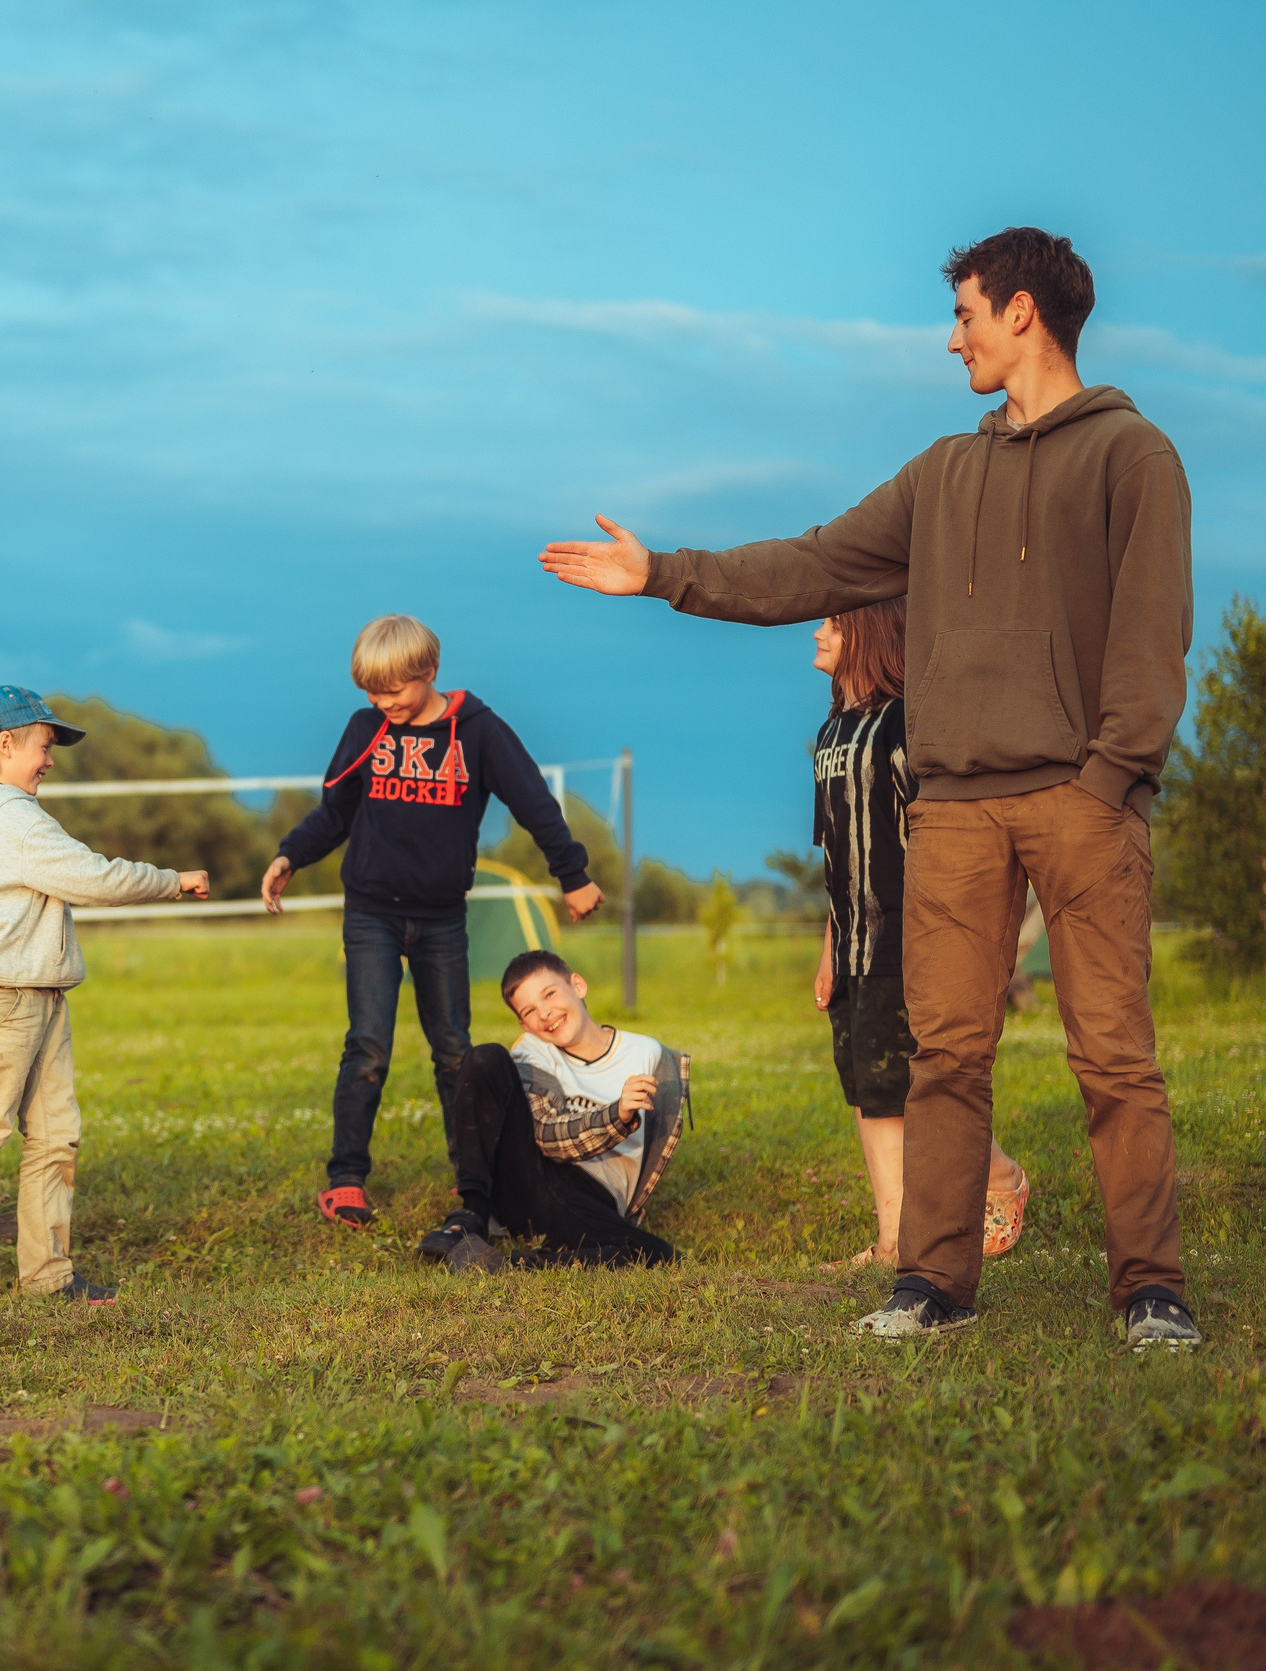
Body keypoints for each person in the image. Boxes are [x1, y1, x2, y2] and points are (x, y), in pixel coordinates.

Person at [540, 226, 1198, 1347]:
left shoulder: (1132, 457)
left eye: (965, 316)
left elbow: (1150, 638)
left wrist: (1105, 783)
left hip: (1079, 805)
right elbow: (812, 562)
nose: (954, 342)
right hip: (949, 813)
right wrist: (665, 576)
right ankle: (930, 1285)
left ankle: (1149, 1287)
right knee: (942, 1056)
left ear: (1022, 313)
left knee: (1112, 1056)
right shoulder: (941, 475)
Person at [261, 613, 604, 1231]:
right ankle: (345, 1181)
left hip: (442, 919)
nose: (381, 702)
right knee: (367, 1044)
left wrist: (572, 874)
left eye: (394, 690)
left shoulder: (478, 731)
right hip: (370, 914)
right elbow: (334, 812)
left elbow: (533, 801)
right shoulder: (366, 729)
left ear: (429, 674)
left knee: (454, 1052)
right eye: (371, 690)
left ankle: (472, 1180)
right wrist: (290, 854)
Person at [0, 685, 208, 1305]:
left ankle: (47, 1276)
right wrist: (173, 882)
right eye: (44, 746)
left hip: (38, 994)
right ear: (5, 744)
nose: (49, 760)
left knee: (56, 1134)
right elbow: (94, 877)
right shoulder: (14, 820)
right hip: (8, 998)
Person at [808, 599, 1029, 1269]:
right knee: (869, 1091)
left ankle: (998, 1177)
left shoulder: (907, 724)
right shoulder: (830, 732)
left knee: (917, 1088)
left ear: (867, 634)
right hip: (852, 947)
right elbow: (833, 852)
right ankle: (891, 1239)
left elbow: (944, 835)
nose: (818, 632)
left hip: (912, 939)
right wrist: (827, 954)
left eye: (832, 622)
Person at [418, 951, 682, 1272]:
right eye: (529, 1010)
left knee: (656, 1252)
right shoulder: (534, 1050)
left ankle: (511, 1265)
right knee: (485, 1058)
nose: (545, 1013)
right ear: (523, 1023)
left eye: (550, 994)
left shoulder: (646, 1053)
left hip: (593, 1203)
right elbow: (548, 1138)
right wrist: (618, 1115)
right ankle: (470, 1215)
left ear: (578, 986)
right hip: (535, 1185)